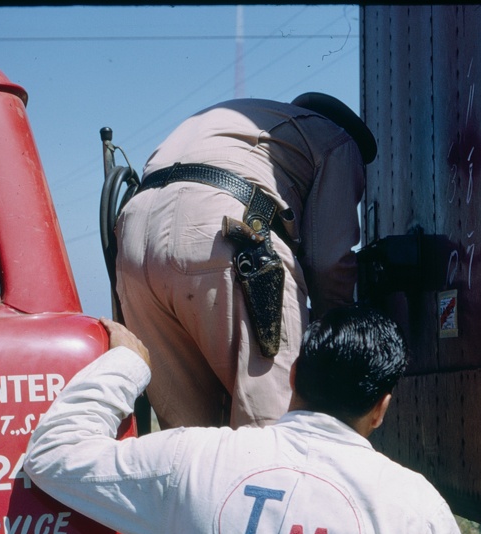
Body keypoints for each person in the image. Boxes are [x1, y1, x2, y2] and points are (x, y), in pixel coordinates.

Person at [23, 308, 481, 534]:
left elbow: (54, 453)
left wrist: (127, 363)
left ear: (293, 377)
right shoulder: (416, 504)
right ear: (381, 408)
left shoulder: (190, 462)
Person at [114, 94, 377, 429]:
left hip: (134, 240)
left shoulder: (240, 120)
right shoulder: (338, 138)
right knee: (272, 428)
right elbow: (327, 261)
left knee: (188, 441)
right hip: (226, 233)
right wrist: (334, 334)